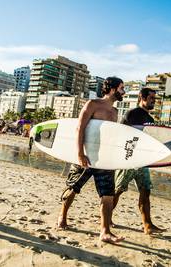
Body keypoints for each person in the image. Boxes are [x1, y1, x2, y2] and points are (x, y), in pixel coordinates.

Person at [57, 77, 125, 243]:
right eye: (122, 88)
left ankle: (105, 231)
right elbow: (80, 128)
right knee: (73, 187)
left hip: (104, 159)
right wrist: (80, 153)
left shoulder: (115, 112)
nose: (124, 92)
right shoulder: (92, 104)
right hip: (87, 156)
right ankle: (62, 216)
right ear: (112, 89)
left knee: (108, 195)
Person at [113, 88, 165, 234]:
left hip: (142, 160)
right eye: (151, 97)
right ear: (142, 97)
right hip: (128, 159)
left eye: (155, 98)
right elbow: (120, 133)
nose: (154, 100)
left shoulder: (151, 120)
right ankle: (106, 218)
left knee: (145, 190)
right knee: (118, 190)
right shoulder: (132, 114)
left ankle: (147, 225)